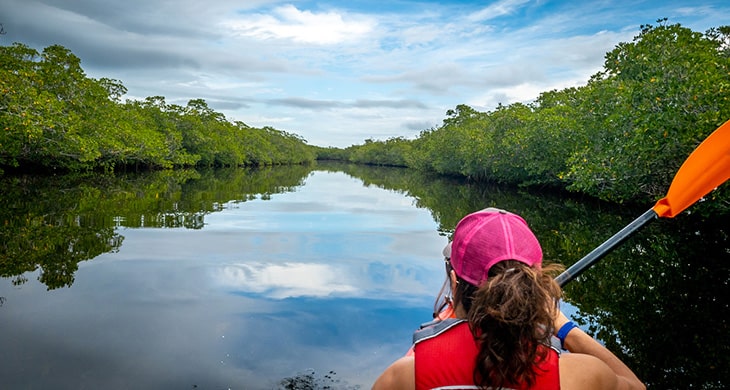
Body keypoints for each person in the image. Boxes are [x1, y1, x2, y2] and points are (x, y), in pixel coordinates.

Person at [372, 208, 645, 390]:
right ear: (534, 291)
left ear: (455, 284)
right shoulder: (582, 376)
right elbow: (637, 387)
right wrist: (562, 326)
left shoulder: (404, 377)